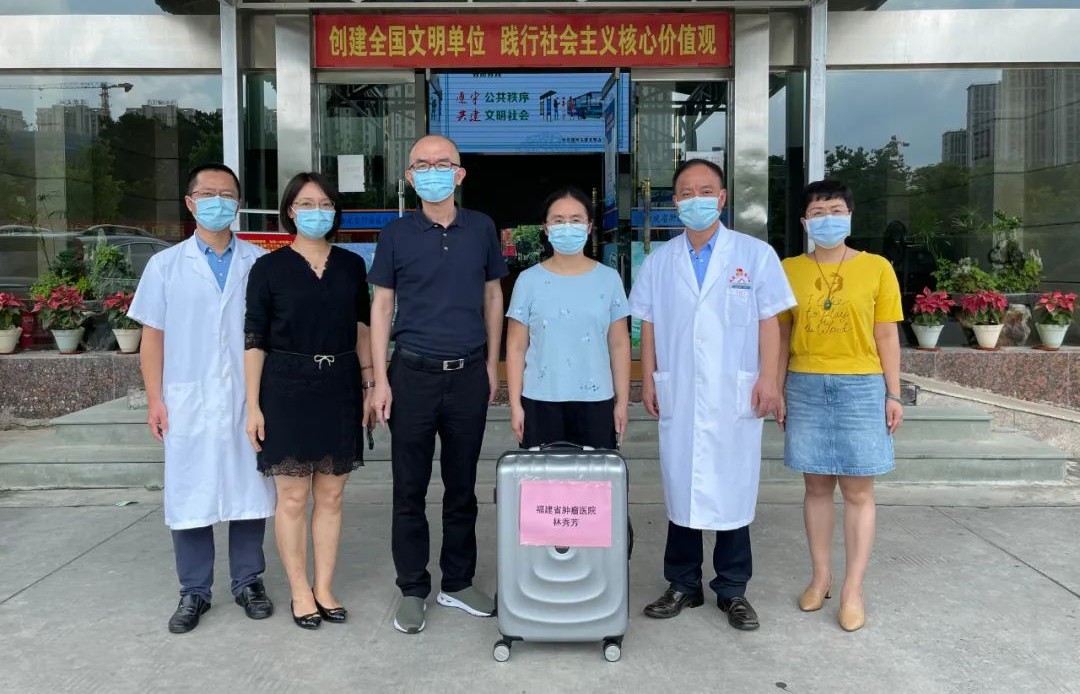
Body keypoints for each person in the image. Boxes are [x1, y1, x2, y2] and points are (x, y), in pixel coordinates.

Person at [629, 158, 795, 631]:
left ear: (722, 198)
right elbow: (648, 323)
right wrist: (650, 378)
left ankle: (732, 589)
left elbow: (770, 321)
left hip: (735, 391)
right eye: (686, 192)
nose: (695, 199)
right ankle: (682, 584)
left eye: (705, 191)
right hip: (679, 388)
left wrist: (769, 379)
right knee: (681, 486)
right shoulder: (660, 260)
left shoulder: (755, 254)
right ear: (675, 201)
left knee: (732, 490)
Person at [368, 135, 508, 635]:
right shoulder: (395, 234)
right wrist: (379, 379)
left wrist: (492, 364)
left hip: (468, 373)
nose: (433, 171)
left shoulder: (481, 228)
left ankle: (458, 581)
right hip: (411, 375)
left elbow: (493, 297)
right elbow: (382, 305)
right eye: (422, 165)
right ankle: (412, 587)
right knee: (409, 488)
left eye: (442, 163)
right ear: (409, 177)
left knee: (462, 486)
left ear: (460, 173)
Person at [128, 163, 276, 634]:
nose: (218, 202)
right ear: (190, 203)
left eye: (227, 194)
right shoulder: (165, 266)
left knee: (250, 488)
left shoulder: (259, 262)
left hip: (247, 396)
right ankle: (194, 590)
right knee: (190, 492)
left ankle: (248, 582)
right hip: (187, 397)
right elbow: (153, 338)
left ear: (239, 203)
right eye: (208, 194)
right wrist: (155, 398)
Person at [243, 172, 372, 630]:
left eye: (325, 204)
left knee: (332, 495)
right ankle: (300, 590)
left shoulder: (352, 265)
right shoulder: (268, 269)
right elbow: (254, 339)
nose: (317, 212)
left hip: (340, 385)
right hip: (285, 388)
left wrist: (370, 384)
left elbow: (362, 327)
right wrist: (253, 405)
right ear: (290, 211)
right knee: (294, 496)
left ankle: (325, 587)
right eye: (307, 204)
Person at [777, 179, 903, 633]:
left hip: (861, 386)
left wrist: (893, 393)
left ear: (849, 216)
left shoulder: (877, 268)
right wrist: (777, 388)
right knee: (815, 487)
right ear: (804, 222)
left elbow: (886, 333)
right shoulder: (788, 269)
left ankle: (852, 589)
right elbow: (782, 335)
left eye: (835, 210)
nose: (826, 219)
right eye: (817, 213)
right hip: (805, 384)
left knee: (858, 492)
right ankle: (821, 577)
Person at [505, 186, 631, 450]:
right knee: (542, 475)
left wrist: (621, 401)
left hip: (596, 400)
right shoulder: (528, 281)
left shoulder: (609, 279)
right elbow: (516, 347)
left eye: (575, 220)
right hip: (540, 400)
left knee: (594, 475)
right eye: (558, 220)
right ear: (546, 227)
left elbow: (619, 345)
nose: (567, 227)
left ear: (589, 227)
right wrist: (515, 404)